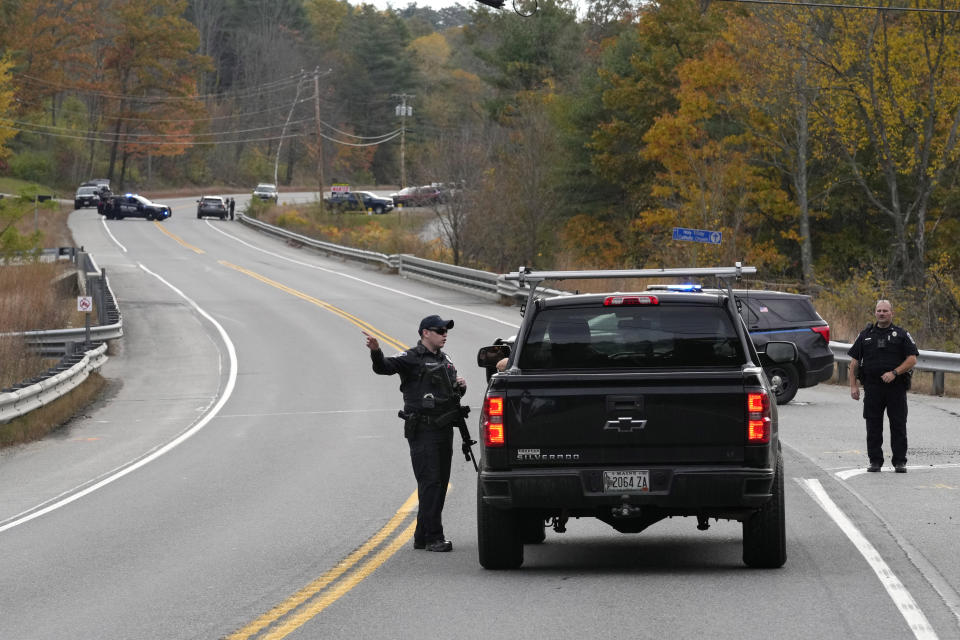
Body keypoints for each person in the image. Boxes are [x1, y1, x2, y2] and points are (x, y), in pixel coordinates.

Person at [363, 315, 467, 552]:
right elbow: (383, 368)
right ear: (425, 333)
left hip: (444, 428)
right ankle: (434, 537)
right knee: (430, 482)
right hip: (423, 430)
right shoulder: (411, 358)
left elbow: (450, 392)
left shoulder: (446, 359)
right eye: (439, 330)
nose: (444, 334)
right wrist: (376, 351)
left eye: (446, 330)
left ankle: (421, 535)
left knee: (439, 484)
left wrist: (460, 384)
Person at [848, 299, 918, 473]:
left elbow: (912, 359)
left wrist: (895, 372)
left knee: (898, 425)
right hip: (872, 387)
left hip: (896, 388)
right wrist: (853, 386)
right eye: (879, 310)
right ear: (875, 313)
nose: (881, 313)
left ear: (891, 313)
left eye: (885, 311)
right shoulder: (865, 335)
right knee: (873, 425)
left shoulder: (901, 334)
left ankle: (900, 462)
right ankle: (875, 461)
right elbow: (854, 362)